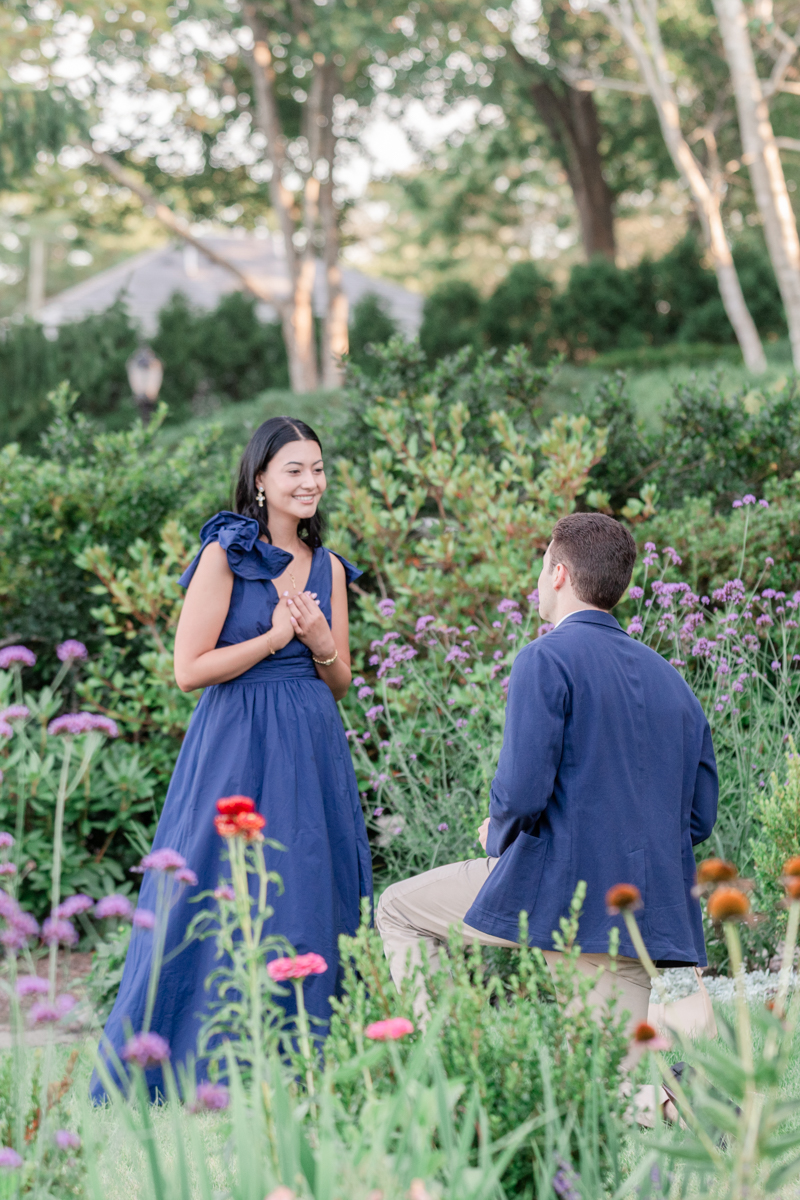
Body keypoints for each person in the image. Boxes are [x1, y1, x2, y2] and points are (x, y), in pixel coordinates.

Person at [92, 416, 372, 1100]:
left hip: (310, 747)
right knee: (213, 889)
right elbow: (189, 669)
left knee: (306, 885)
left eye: (318, 468)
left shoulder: (329, 566)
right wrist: (277, 637)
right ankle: (185, 1061)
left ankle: (303, 1061)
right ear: (260, 480)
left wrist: (318, 640)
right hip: (236, 744)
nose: (310, 482)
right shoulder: (226, 553)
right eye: (294, 470)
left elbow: (339, 682)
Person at [376, 512, 718, 1030]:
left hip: (561, 892)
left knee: (397, 908)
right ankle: (672, 1103)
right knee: (616, 1086)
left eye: (542, 568)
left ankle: (450, 1057)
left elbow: (521, 793)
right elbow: (698, 817)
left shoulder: (545, 659)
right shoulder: (673, 682)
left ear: (558, 573)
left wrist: (498, 835)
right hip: (641, 910)